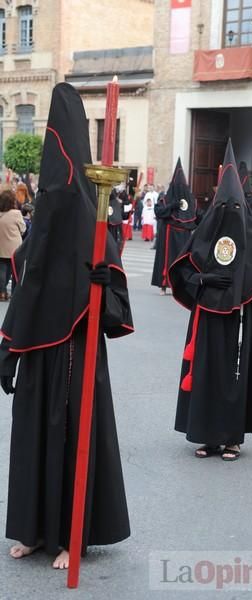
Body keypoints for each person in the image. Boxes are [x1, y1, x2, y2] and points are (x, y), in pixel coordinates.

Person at [0, 83, 133, 570]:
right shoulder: (48, 219)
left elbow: (117, 308)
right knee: (33, 436)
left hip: (76, 355)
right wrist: (8, 348)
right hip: (37, 355)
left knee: (68, 435)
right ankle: (35, 530)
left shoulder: (89, 215)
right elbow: (28, 287)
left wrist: (103, 285)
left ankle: (68, 534)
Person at [169, 140, 252, 461]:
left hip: (239, 320)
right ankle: (207, 436)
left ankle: (232, 438)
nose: (228, 213)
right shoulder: (201, 236)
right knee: (206, 375)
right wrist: (202, 279)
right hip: (207, 317)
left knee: (234, 376)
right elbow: (179, 273)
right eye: (223, 207)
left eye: (233, 207)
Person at [151, 158, 196, 294]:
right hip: (168, 234)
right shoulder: (165, 199)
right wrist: (172, 206)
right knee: (166, 260)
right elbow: (158, 211)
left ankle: (180, 286)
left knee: (182, 262)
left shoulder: (191, 201)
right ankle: (163, 285)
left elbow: (197, 216)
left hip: (184, 236)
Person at [0, 189, 26, 300]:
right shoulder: (16, 214)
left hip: (1, 247)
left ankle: (2, 292)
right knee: (15, 271)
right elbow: (23, 229)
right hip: (15, 249)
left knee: (2, 271)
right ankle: (15, 294)